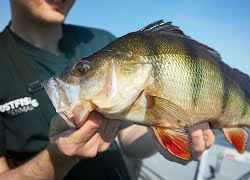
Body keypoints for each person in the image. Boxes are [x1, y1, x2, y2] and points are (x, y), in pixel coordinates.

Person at [0, 0, 215, 179]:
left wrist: (167, 138)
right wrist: (56, 157)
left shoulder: (103, 41)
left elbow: (129, 136)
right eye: (82, 70)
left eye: (83, 70)